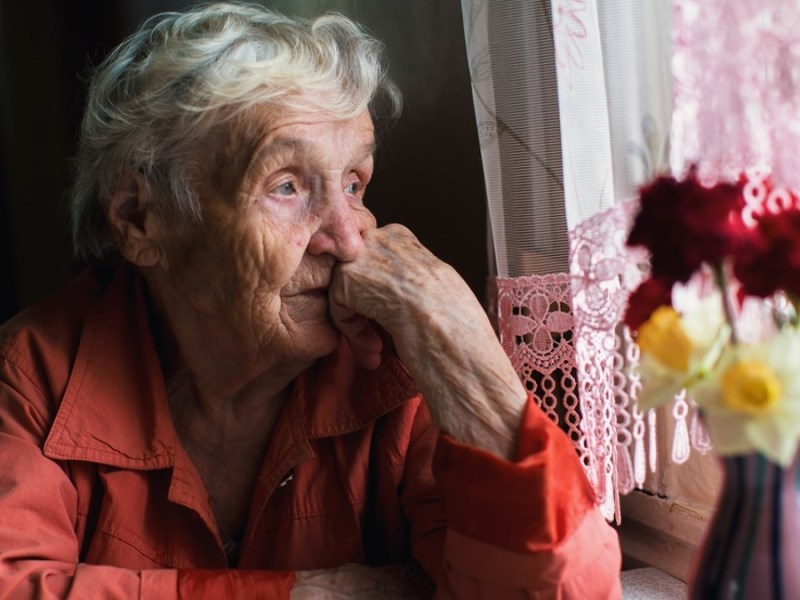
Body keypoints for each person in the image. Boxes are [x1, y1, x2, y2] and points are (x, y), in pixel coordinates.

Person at [0, 3, 621, 598]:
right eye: (288, 186)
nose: (349, 239)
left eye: (355, 183)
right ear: (140, 219)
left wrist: (458, 344)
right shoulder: (34, 377)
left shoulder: (399, 375)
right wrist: (304, 595)